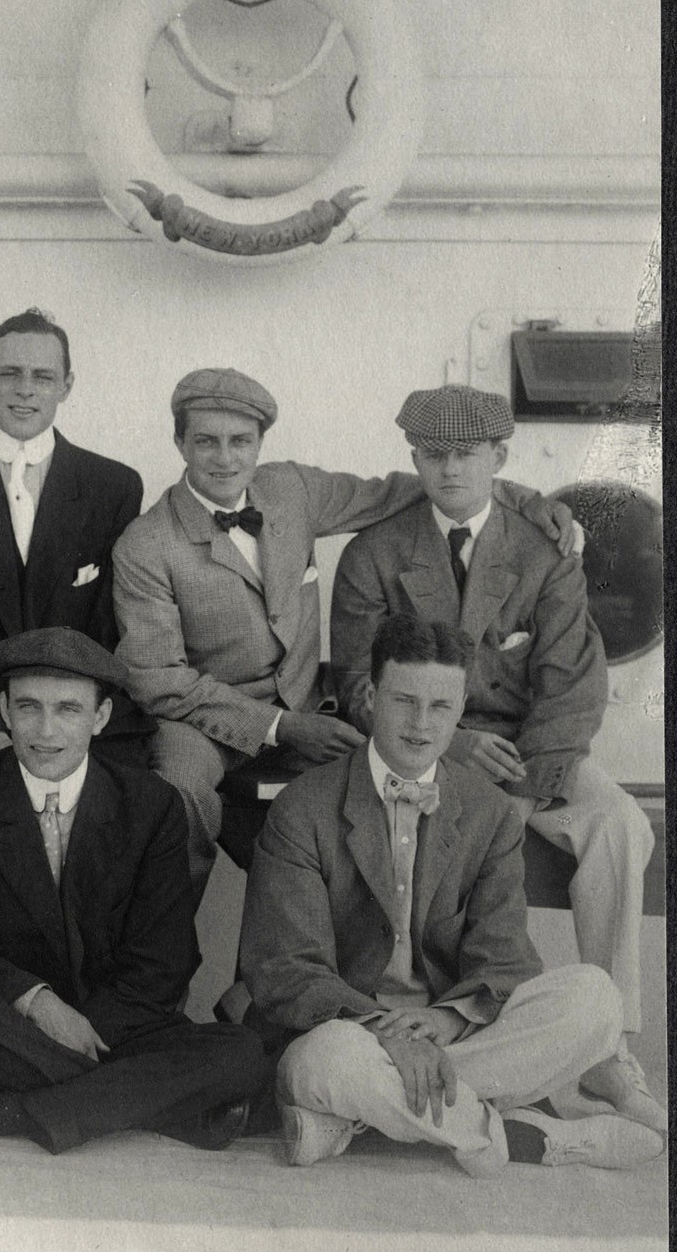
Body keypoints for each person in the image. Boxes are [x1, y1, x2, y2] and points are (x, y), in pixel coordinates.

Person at [330, 385, 662, 1131]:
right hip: (421, 743)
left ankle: (607, 1053)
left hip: (531, 749)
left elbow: (574, 686)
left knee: (617, 824)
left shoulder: (544, 547)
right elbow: (355, 684)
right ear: (413, 457)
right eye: (433, 454)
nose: (449, 470)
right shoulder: (373, 554)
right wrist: (450, 744)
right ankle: (470, 1036)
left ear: (498, 458)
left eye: (466, 454)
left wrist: (521, 793)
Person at [111, 366, 578, 885]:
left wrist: (529, 500)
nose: (225, 458)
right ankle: (161, 951)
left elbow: (425, 485)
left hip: (312, 706)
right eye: (206, 442)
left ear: (260, 443)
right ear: (179, 443)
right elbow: (159, 681)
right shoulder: (146, 544)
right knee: (179, 794)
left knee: (373, 800)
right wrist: (281, 727)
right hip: (202, 721)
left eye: (240, 441)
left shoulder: (290, 489)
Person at [239, 613, 664, 1176]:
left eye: (440, 707)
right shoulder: (303, 806)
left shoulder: (489, 812)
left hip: (448, 1025)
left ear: (462, 709)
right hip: (344, 1029)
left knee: (595, 998)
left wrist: (446, 1023)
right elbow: (287, 971)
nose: (420, 724)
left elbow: (505, 958)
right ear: (371, 695)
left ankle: (359, 1121)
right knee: (329, 1064)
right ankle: (525, 1135)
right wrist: (384, 1035)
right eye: (403, 701)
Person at [0, 627, 267, 1152]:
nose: (46, 731)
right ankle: (145, 1104)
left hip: (113, 1024)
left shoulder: (150, 804)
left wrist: (88, 1030)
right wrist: (38, 1004)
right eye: (28, 707)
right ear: (3, 709)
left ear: (101, 718)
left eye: (68, 710)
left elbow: (164, 960)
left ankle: (3, 1111)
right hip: (6, 1018)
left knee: (242, 1051)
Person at [0, 308, 147, 770]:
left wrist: (57, 728)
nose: (24, 389)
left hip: (76, 725)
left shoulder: (114, 486)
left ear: (67, 385)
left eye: (42, 376)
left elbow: (108, 624)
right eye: (9, 374)